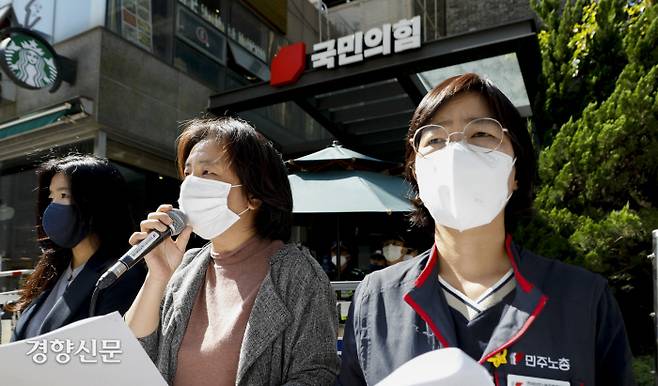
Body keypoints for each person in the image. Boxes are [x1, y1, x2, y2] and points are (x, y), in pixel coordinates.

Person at [336, 74, 635, 385]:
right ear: (416, 173)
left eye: (480, 133)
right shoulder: (377, 300)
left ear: (516, 171)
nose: (455, 154)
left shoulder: (584, 299)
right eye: (435, 140)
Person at [125, 117, 339, 386]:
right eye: (188, 173)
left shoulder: (298, 274)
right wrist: (157, 277)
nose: (191, 185)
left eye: (208, 173)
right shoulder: (187, 267)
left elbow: (316, 374)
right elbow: (133, 358)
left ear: (254, 194)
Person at [7, 154, 146, 341]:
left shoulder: (121, 276)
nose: (52, 206)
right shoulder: (51, 271)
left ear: (97, 203)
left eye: (64, 195)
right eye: (51, 197)